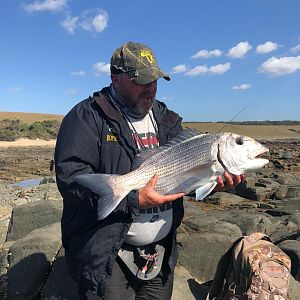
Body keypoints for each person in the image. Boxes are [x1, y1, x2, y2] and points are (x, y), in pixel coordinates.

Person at [54, 41, 244, 300]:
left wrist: (213, 182)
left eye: (154, 80)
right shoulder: (87, 116)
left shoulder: (167, 119)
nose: (151, 88)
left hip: (161, 255)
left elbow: (186, 179)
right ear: (115, 79)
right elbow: (70, 178)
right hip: (107, 256)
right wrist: (134, 200)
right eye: (141, 81)